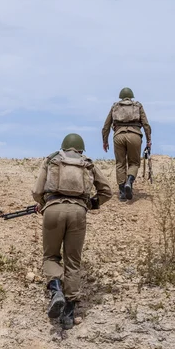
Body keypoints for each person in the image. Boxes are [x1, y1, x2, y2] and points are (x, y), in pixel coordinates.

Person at [31, 133, 112, 329]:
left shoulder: (51, 160)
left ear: (64, 147)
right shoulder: (87, 163)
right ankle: (68, 313)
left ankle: (56, 289)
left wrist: (43, 204)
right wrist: (91, 204)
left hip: (52, 210)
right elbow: (106, 191)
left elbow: (36, 191)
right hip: (78, 213)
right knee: (73, 262)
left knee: (51, 256)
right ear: (80, 149)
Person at [101, 87, 152, 201]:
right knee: (134, 162)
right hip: (134, 135)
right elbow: (146, 125)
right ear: (131, 96)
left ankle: (122, 191)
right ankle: (129, 181)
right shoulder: (138, 106)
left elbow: (106, 126)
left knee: (120, 163)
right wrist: (149, 140)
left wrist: (105, 141)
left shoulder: (115, 106)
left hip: (118, 135)